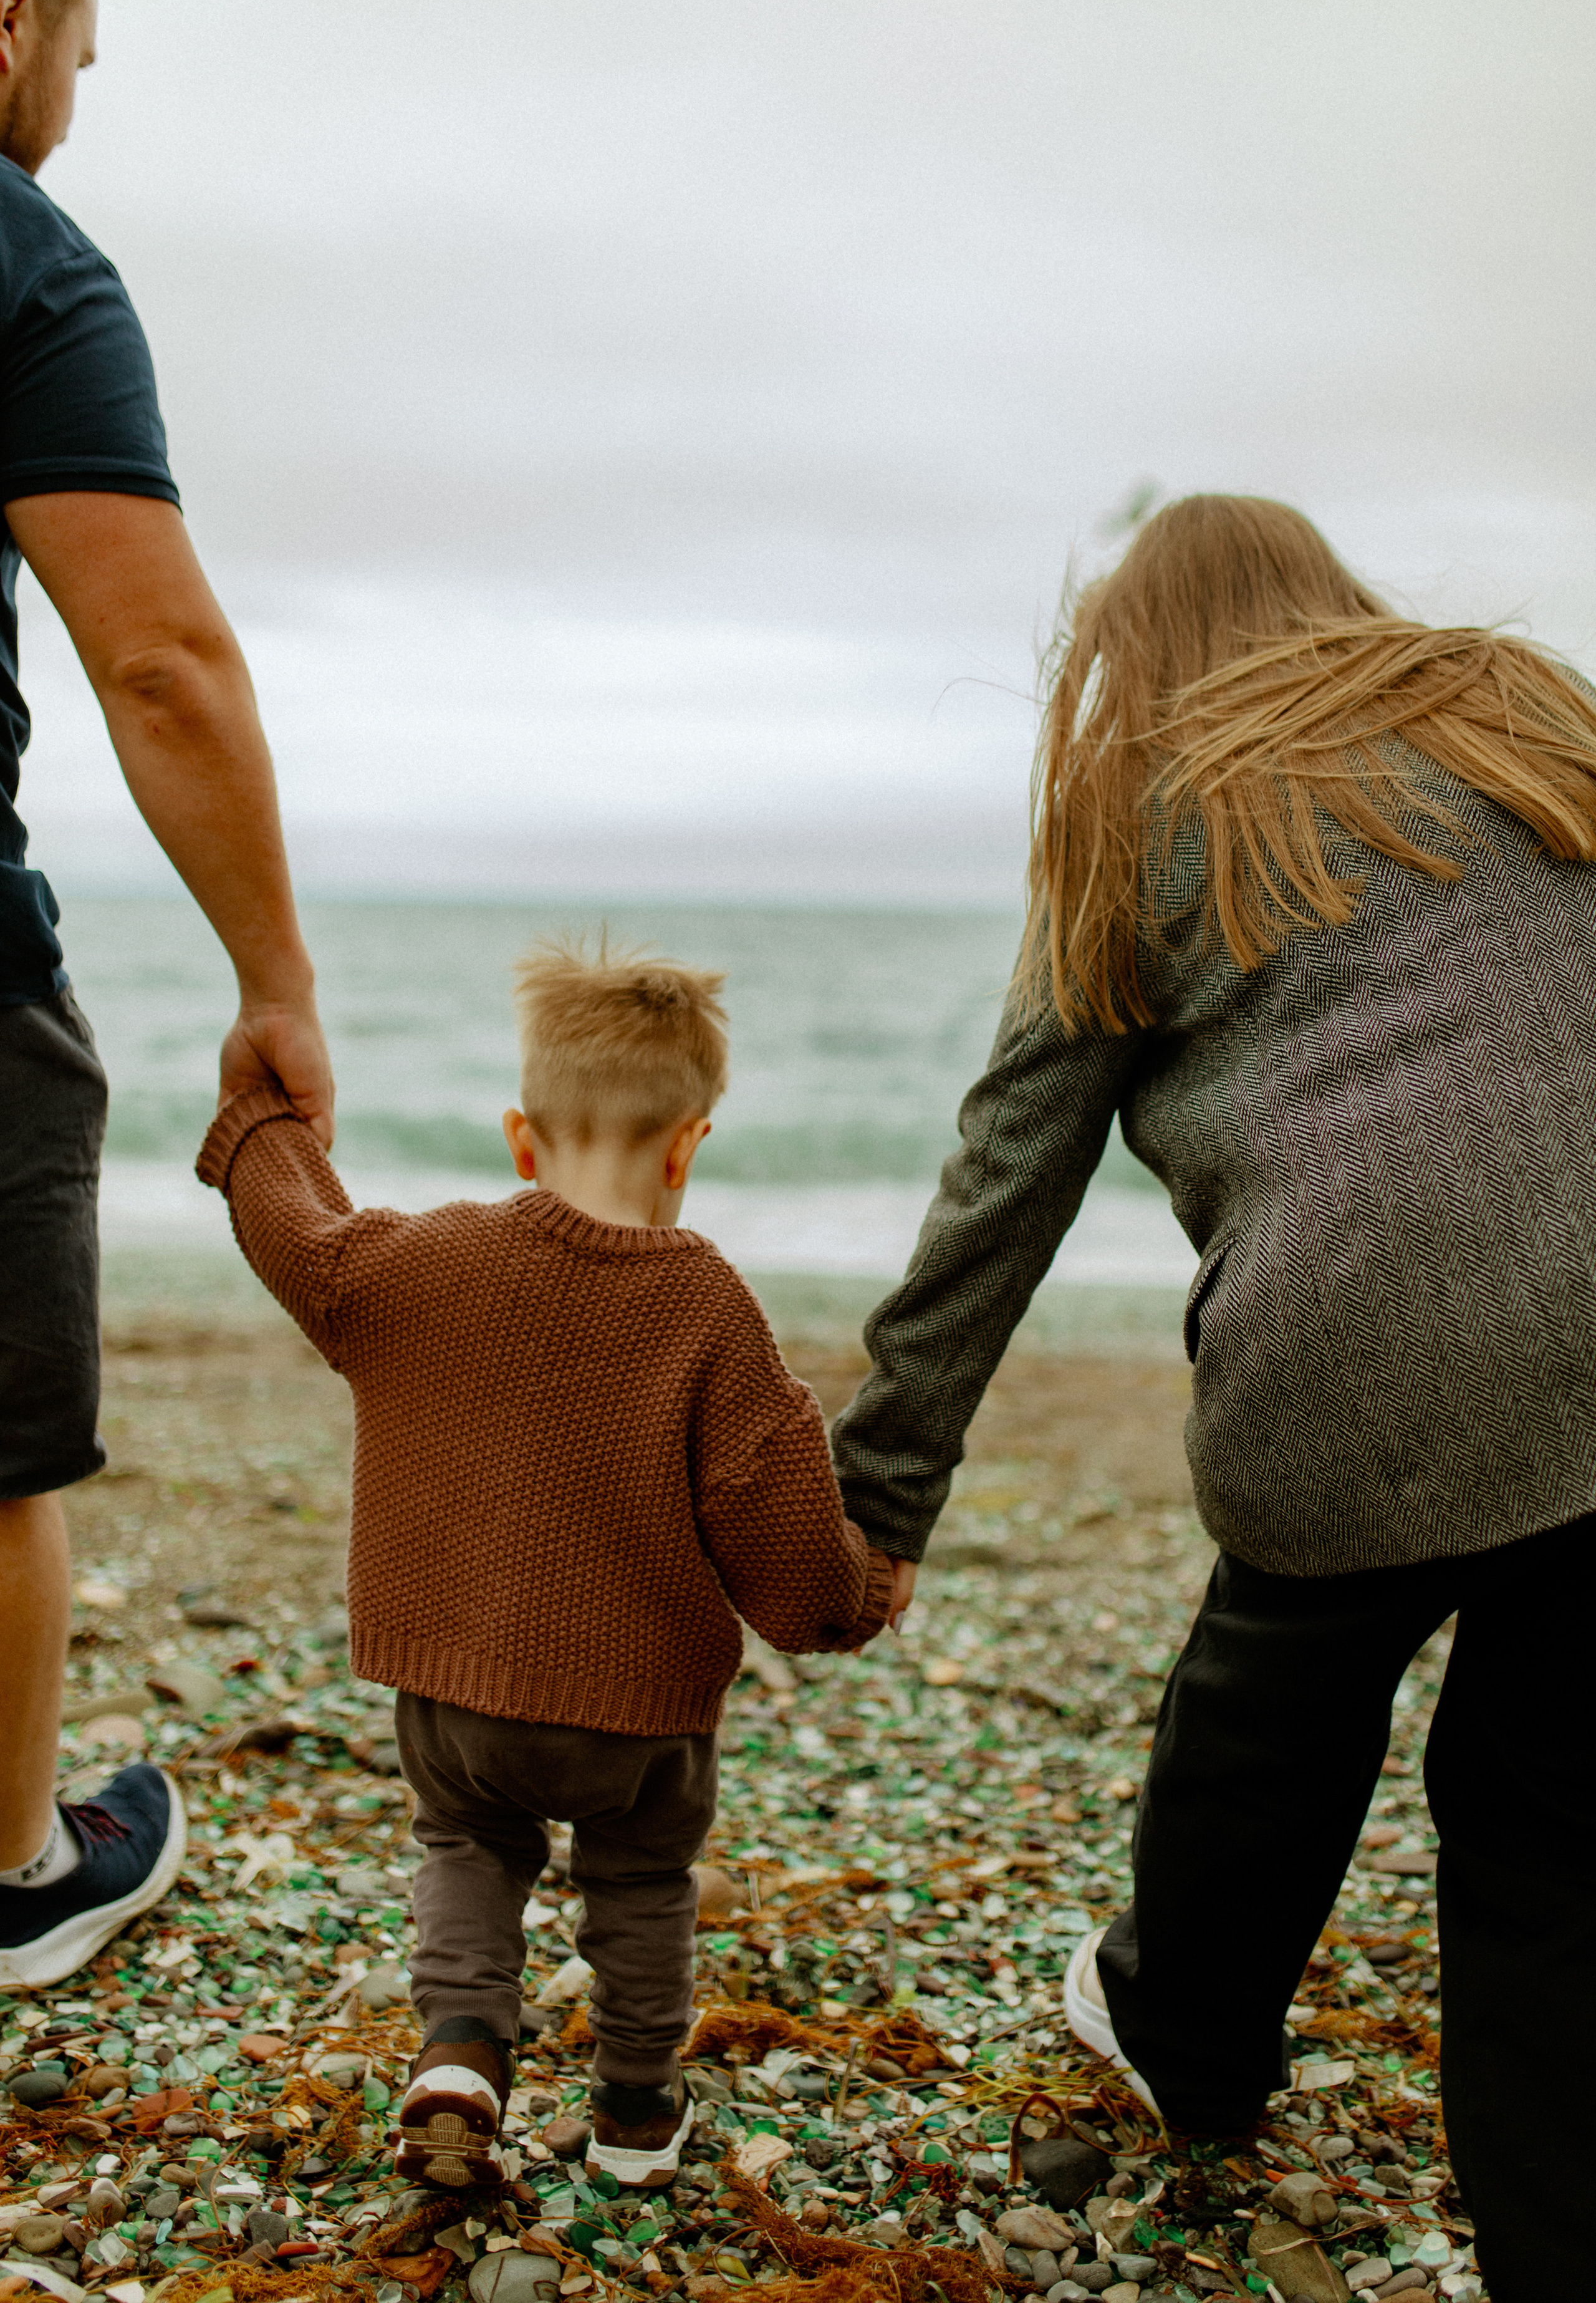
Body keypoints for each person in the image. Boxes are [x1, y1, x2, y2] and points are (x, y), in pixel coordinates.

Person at [829, 495, 1596, 2301]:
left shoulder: (1139, 805)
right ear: (1329, 597)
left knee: (1272, 1708)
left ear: (1129, 657)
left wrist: (877, 1494)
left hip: (1354, 1350)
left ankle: (1187, 2041)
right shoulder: (1517, 699)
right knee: (1551, 1822)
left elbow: (1009, 1166)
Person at [196, 939, 894, 2189]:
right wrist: (860, 1592)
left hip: (455, 1686)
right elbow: (779, 1548)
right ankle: (634, 2112)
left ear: (522, 1139)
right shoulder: (709, 1308)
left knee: (466, 1848)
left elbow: (302, 1239)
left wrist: (260, 1122)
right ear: (688, 1146)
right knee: (641, 1880)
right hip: (638, 1721)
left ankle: (460, 2055)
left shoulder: (416, 1264)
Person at [0, 0, 333, 1990]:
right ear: (9, 3)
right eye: (84, 43)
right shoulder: (23, 261)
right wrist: (278, 987)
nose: (80, 95)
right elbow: (166, 668)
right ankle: (20, 1867)